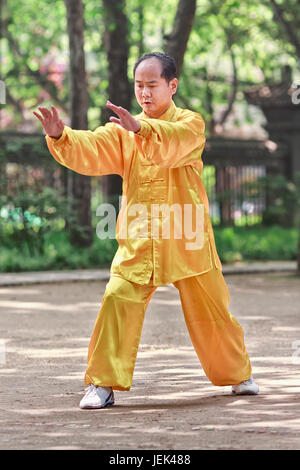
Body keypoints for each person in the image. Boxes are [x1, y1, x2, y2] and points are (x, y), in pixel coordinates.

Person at [33, 52, 259, 410]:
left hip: (188, 238)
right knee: (116, 299)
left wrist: (142, 130)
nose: (144, 93)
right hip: (140, 239)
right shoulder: (124, 131)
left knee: (213, 310)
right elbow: (92, 147)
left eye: (152, 85)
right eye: (139, 85)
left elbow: (173, 144)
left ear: (172, 85)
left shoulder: (190, 123)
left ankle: (237, 374)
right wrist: (62, 135)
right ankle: (102, 385)